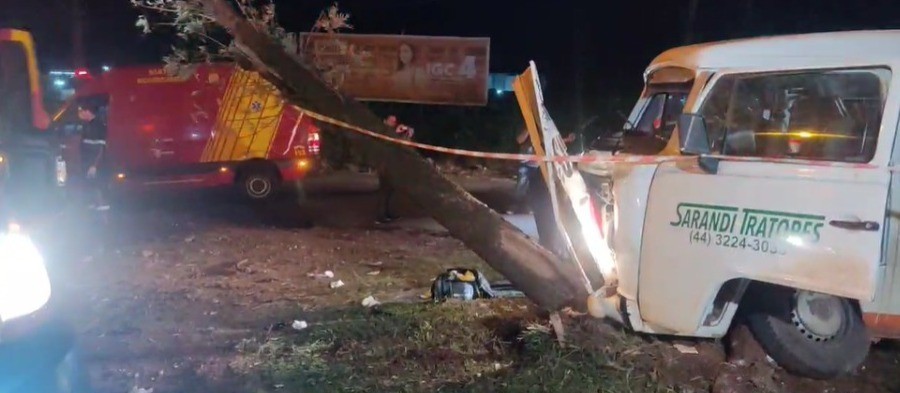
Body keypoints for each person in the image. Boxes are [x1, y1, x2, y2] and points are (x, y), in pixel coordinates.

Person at [375, 115, 415, 224]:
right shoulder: (383, 131)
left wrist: (407, 133)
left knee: (390, 192)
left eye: (394, 121)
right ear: (385, 121)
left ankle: (387, 213)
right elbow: (388, 142)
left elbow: (403, 145)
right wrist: (397, 132)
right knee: (384, 192)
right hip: (384, 166)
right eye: (391, 121)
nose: (393, 123)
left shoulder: (392, 132)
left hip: (391, 166)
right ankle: (380, 216)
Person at [77, 103, 109, 213]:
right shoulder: (88, 125)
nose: (79, 114)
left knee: (96, 182)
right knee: (90, 182)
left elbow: (101, 147)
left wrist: (95, 165)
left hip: (95, 162)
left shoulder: (98, 126)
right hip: (89, 162)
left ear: (88, 112)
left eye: (81, 111)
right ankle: (94, 204)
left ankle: (101, 204)